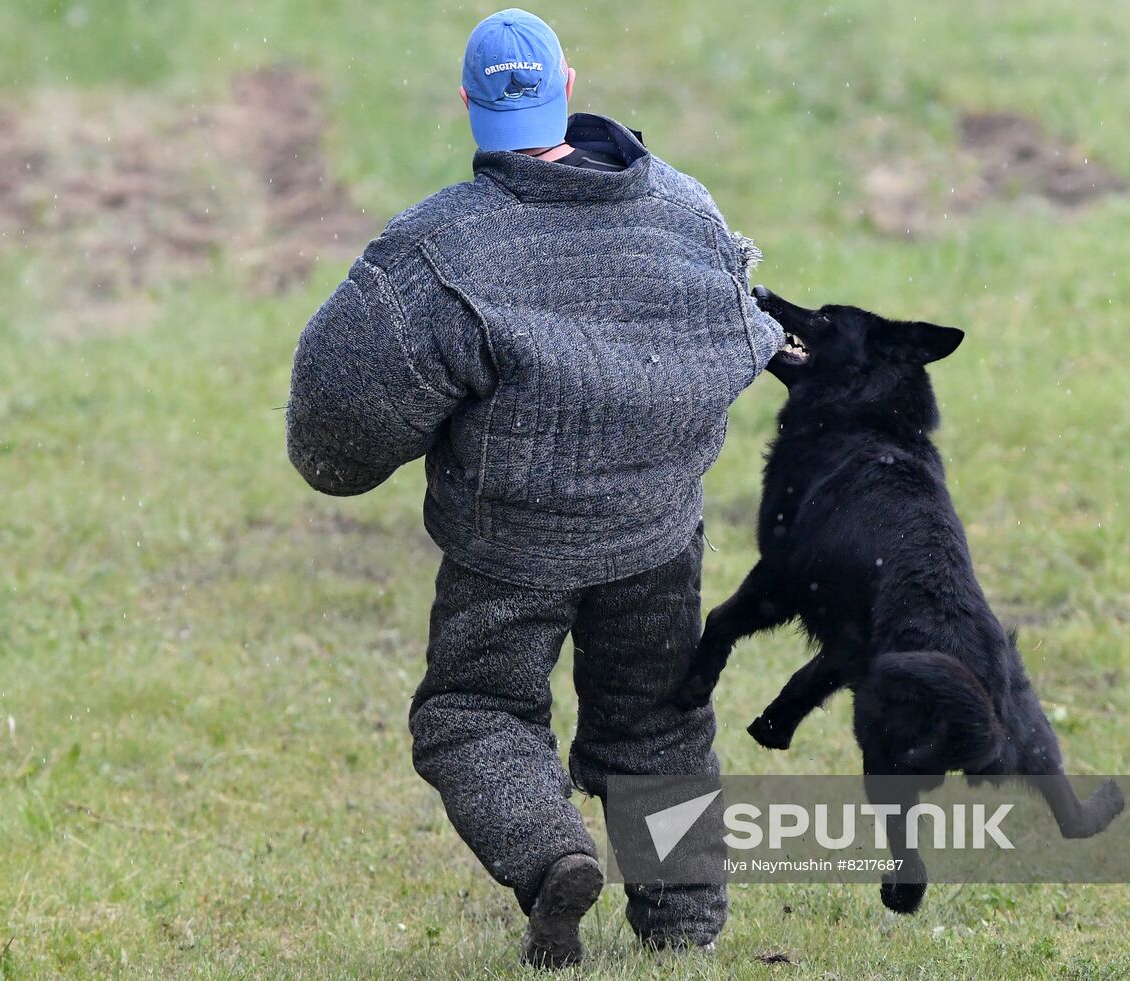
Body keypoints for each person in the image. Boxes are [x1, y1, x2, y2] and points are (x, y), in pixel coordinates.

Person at [286, 7, 781, 968]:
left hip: (506, 550)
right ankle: (681, 922)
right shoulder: (684, 209)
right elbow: (742, 333)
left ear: (469, 107)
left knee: (474, 712)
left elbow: (337, 424)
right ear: (567, 87)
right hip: (655, 538)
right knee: (658, 719)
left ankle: (550, 855)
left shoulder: (441, 250)